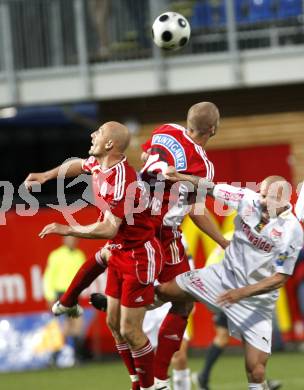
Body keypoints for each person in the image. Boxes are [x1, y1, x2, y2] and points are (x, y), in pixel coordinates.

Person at [26, 121, 164, 390]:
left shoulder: (122, 180)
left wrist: (64, 227)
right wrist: (46, 175)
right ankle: (137, 382)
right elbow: (79, 164)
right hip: (119, 250)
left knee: (131, 331)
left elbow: (109, 227)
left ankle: (152, 386)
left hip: (138, 256)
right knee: (114, 324)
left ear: (110, 144)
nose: (92, 135)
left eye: (98, 133)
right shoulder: (99, 164)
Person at [156, 173, 303, 390]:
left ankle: (206, 377)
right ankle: (121, 302)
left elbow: (280, 278)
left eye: (268, 197)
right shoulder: (246, 199)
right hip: (223, 278)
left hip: (256, 300)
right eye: (261, 194)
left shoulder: (292, 231)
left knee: (256, 370)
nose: (261, 200)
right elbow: (209, 187)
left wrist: (241, 293)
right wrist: (177, 175)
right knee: (164, 291)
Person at [140, 101, 229, 390]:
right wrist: (223, 242)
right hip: (163, 231)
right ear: (213, 129)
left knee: (178, 298)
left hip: (135, 218)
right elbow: (196, 210)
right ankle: (158, 377)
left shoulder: (164, 131)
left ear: (187, 121)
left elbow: (145, 154)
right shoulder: (203, 165)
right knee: (183, 299)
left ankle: (156, 379)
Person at [191, 232, 282, 390]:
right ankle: (204, 377)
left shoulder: (239, 234)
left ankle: (203, 377)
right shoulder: (244, 236)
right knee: (244, 337)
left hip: (230, 291)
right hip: (229, 292)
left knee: (235, 337)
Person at [43, 236, 86, 365]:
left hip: (74, 294)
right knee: (75, 324)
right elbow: (48, 277)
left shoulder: (79, 255)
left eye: (74, 239)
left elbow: (84, 275)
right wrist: (49, 296)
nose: (72, 241)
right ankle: (77, 357)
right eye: (69, 238)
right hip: (61, 294)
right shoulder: (56, 255)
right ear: (64, 240)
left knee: (70, 326)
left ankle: (56, 357)